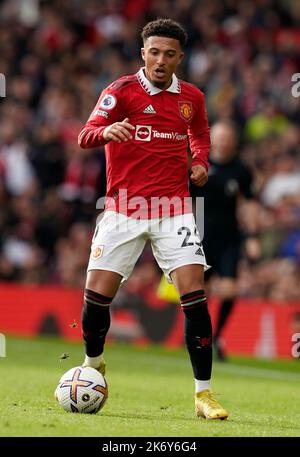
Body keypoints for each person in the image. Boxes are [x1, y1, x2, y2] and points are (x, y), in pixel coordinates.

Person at [77, 18, 228, 420]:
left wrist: (200, 161)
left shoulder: (192, 97)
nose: (161, 60)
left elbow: (199, 133)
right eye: (154, 52)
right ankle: (93, 366)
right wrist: (108, 132)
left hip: (175, 209)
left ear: (180, 57)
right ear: (143, 53)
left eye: (169, 54)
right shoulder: (120, 92)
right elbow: (85, 134)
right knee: (96, 299)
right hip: (124, 207)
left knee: (194, 295)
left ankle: (204, 394)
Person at [190, 120, 260, 361]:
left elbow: (249, 204)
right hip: (198, 237)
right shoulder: (198, 164)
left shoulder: (241, 170)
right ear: (212, 139)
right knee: (198, 292)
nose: (225, 141)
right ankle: (199, 336)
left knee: (230, 290)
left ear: (234, 141)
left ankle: (216, 337)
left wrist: (252, 236)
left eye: (229, 137)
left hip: (229, 237)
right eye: (220, 137)